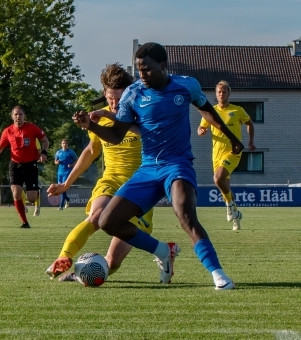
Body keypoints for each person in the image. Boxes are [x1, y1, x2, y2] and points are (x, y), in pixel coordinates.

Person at [72, 43, 244, 290]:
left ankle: (218, 274)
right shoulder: (133, 94)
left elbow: (208, 111)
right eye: (139, 70)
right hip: (148, 168)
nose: (142, 75)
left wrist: (231, 137)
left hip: (178, 165)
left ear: (163, 66)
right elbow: (116, 135)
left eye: (147, 69)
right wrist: (90, 125)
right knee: (107, 221)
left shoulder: (186, 85)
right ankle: (163, 251)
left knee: (185, 215)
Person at [46, 63, 163, 282]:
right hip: (111, 180)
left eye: (119, 99)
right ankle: (64, 257)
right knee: (96, 217)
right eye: (110, 98)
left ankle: (166, 252)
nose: (114, 104)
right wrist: (66, 185)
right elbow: (90, 152)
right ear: (104, 94)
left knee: (112, 262)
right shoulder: (99, 120)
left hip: (140, 188)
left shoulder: (142, 114)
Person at [198, 80, 255, 230]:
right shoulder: (211, 112)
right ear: (215, 94)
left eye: (224, 91)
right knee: (224, 189)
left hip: (232, 152)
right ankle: (236, 215)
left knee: (217, 179)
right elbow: (201, 127)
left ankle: (230, 206)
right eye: (219, 92)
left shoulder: (237, 110)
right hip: (216, 154)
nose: (221, 94)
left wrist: (250, 141)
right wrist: (201, 131)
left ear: (229, 93)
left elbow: (250, 123)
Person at [0, 106, 49, 228]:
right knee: (16, 193)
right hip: (15, 165)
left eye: (20, 114)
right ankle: (24, 222)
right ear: (12, 116)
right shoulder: (7, 131)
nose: (18, 116)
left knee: (31, 198)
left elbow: (45, 141)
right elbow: (0, 147)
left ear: (24, 116)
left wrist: (43, 153)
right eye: (16, 114)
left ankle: (37, 194)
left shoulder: (32, 128)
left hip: (30, 165)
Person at [53, 139, 77, 210]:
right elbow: (55, 161)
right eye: (63, 143)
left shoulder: (71, 152)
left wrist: (72, 165)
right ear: (61, 144)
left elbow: (76, 159)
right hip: (60, 172)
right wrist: (57, 162)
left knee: (63, 187)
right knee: (60, 188)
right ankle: (68, 199)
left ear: (68, 144)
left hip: (67, 172)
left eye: (66, 143)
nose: (64, 145)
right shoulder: (58, 152)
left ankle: (61, 206)